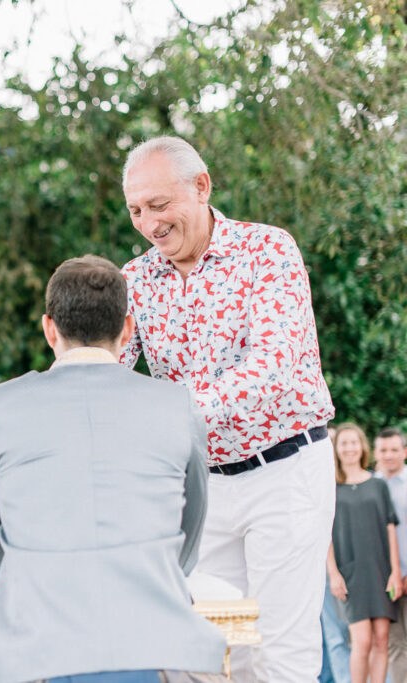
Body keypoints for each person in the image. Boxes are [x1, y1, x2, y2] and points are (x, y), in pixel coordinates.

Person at [120, 135, 336, 682]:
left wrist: (166, 416)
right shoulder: (134, 280)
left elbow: (271, 367)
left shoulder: (268, 251)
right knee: (199, 651)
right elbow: (105, 373)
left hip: (284, 472)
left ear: (202, 186)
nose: (149, 224)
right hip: (199, 488)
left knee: (280, 653)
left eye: (159, 205)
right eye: (136, 211)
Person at [0, 255, 226, 682]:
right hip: (147, 633)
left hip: (34, 637)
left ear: (49, 328)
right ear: (128, 329)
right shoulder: (178, 404)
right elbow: (191, 527)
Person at [328, 423, 401, 683]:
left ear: (362, 447)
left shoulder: (378, 485)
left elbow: (389, 527)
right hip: (350, 572)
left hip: (380, 571)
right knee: (362, 641)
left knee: (381, 639)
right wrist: (333, 573)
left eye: (354, 442)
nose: (349, 448)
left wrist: (394, 573)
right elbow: (325, 536)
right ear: (336, 449)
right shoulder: (330, 489)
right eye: (344, 443)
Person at [375, 428, 407, 680]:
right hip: (384, 580)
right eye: (383, 450)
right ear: (375, 453)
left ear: (404, 452)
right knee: (394, 645)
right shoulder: (369, 487)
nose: (389, 455)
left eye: (394, 449)